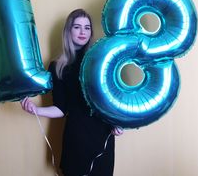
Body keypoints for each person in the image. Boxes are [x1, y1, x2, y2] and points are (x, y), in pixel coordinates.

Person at [21, 9, 123, 176]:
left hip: (103, 134)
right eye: (77, 27)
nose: (83, 32)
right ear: (68, 31)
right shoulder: (57, 66)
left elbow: (113, 98)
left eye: (87, 27)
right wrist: (36, 110)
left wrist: (117, 123)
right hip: (76, 136)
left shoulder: (101, 61)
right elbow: (60, 108)